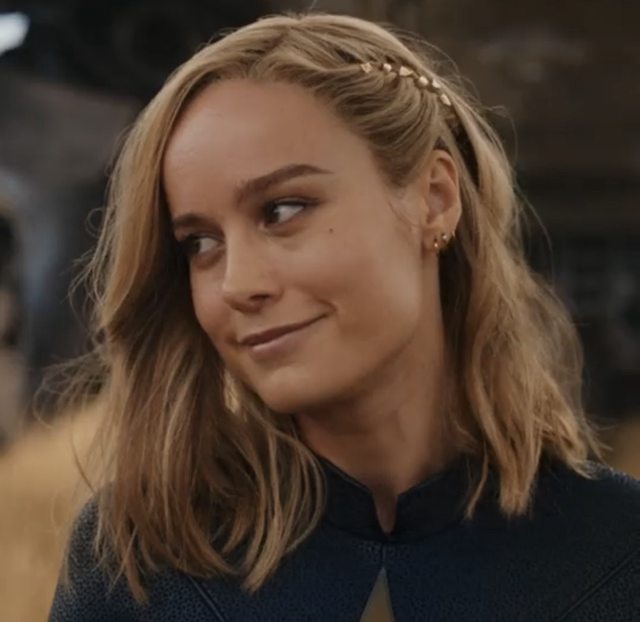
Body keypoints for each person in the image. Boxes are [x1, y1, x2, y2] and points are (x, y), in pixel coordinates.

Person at [48, 12, 640, 621]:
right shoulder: (136, 564)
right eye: (200, 244)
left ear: (434, 199)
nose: (238, 285)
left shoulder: (620, 556)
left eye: (283, 210)